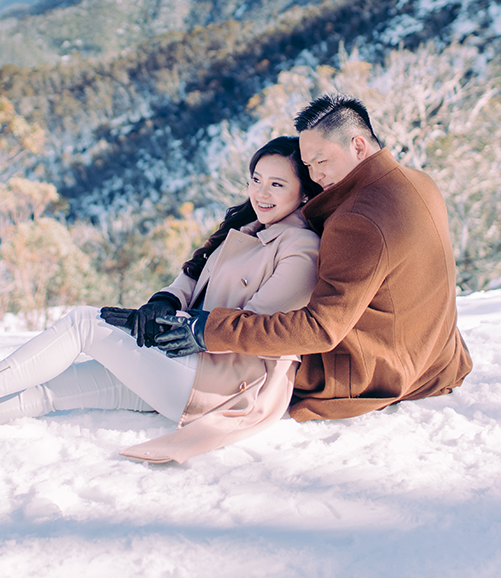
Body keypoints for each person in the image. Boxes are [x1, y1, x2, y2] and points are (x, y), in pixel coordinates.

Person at [0, 136, 322, 463]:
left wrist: (185, 328)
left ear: (304, 191)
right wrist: (162, 303)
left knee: (84, 324)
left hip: (225, 384)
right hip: (185, 365)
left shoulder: (299, 249)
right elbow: (190, 280)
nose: (261, 192)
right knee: (50, 390)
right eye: (256, 179)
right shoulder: (246, 230)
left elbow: (256, 327)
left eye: (277, 185)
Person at [152, 94, 472, 421]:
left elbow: (320, 328)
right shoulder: (419, 181)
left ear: (358, 146)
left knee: (236, 361)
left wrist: (211, 329)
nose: (315, 176)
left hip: (376, 374)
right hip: (436, 360)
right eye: (307, 166)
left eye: (322, 162)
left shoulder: (357, 220)